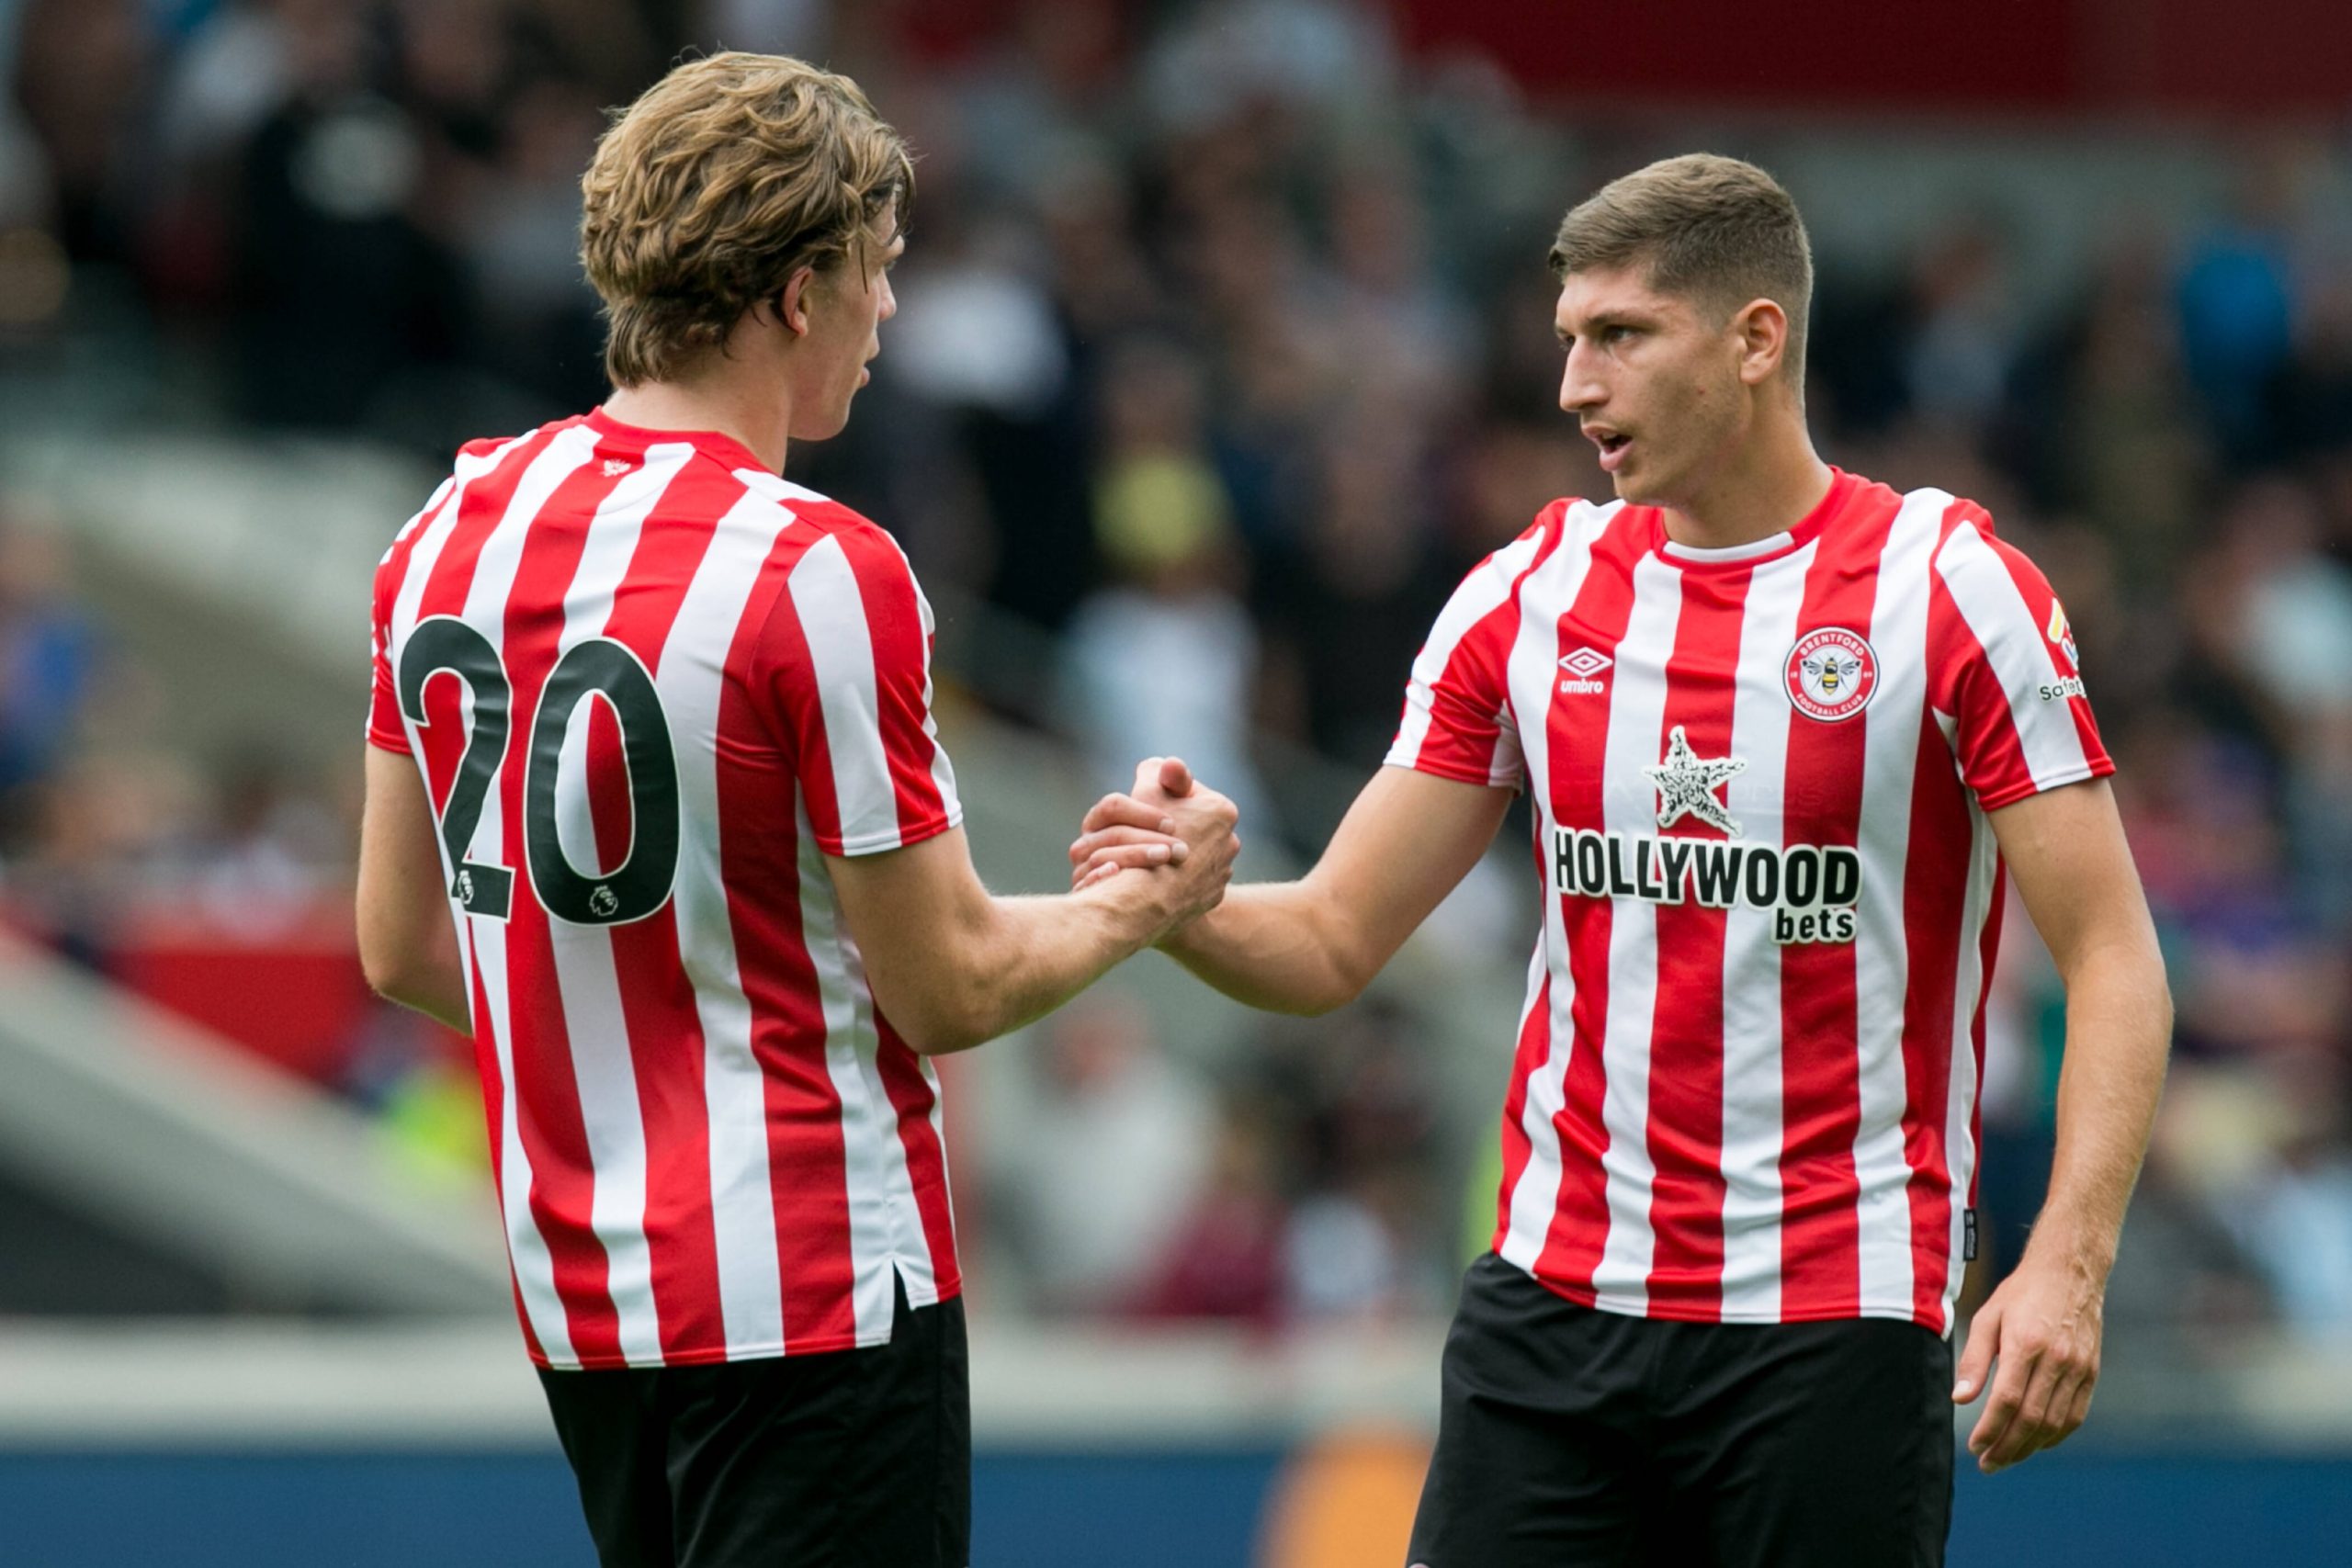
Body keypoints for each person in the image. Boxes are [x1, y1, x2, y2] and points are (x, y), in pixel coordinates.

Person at [1073, 154, 2171, 1567]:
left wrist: (2065, 1266)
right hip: (1554, 1312)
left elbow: (2114, 955)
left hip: (1829, 1319)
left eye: (1621, 337)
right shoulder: (1527, 595)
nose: (1574, 388)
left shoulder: (1948, 591)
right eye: (1568, 342)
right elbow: (1335, 937)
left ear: (1756, 339)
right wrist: (1175, 898)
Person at [353, 53, 1237, 1568]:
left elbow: (405, 947)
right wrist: (1150, 896)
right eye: (879, 273)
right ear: (797, 291)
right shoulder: (819, 568)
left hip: (585, 1301)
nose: (890, 315)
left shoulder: (444, 531)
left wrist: (648, 1035)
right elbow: (946, 985)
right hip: (816, 1297)